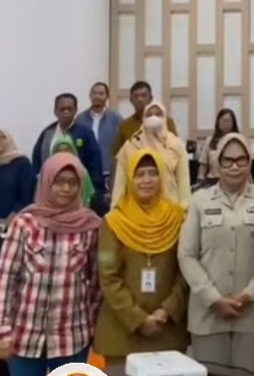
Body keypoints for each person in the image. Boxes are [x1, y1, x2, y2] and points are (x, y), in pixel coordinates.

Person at [179, 133, 254, 376]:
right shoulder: (199, 200)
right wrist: (213, 298)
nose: (234, 166)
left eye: (241, 160)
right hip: (208, 314)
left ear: (250, 162)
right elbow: (186, 255)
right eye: (227, 160)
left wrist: (249, 294)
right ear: (217, 163)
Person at [0, 154, 102, 376]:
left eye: (73, 183)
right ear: (46, 182)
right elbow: (5, 281)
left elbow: (96, 283)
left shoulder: (89, 226)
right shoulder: (24, 224)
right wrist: (3, 331)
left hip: (72, 338)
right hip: (25, 337)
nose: (66, 189)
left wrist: (93, 326)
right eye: (59, 182)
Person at [93, 150, 189, 376]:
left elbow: (185, 271)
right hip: (121, 334)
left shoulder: (177, 218)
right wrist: (138, 319)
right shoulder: (113, 222)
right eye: (139, 174)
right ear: (129, 179)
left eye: (153, 173)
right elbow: (108, 276)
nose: (146, 180)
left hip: (167, 332)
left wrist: (166, 311)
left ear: (162, 178)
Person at [112, 102, 190, 209]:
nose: (153, 117)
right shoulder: (131, 144)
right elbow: (120, 182)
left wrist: (184, 208)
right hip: (135, 209)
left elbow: (183, 181)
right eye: (149, 114)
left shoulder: (176, 145)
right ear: (144, 118)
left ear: (164, 117)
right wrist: (115, 206)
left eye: (158, 114)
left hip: (170, 208)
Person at [32, 93, 105, 195]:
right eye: (62, 109)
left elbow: (95, 163)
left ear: (75, 111)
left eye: (69, 109)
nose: (66, 112)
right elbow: (37, 160)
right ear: (55, 111)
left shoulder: (85, 133)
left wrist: (94, 191)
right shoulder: (47, 133)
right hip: (51, 189)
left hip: (77, 189)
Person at [112, 81, 178, 156]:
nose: (140, 99)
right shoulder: (125, 125)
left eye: (144, 96)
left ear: (151, 98)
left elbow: (175, 148)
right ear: (131, 100)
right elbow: (118, 153)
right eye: (136, 96)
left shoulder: (165, 121)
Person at [75, 82, 123, 185]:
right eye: (94, 93)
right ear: (90, 96)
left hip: (108, 172)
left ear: (107, 96)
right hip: (86, 172)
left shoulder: (116, 118)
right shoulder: (80, 119)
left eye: (101, 93)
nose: (97, 96)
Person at [0, 129, 36, 226]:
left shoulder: (22, 164)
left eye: (1, 138)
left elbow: (27, 197)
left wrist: (11, 219)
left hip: (15, 224)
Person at [197, 108, 240, 185]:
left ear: (233, 123)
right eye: (223, 121)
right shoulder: (210, 141)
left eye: (228, 121)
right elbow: (203, 164)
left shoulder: (238, 140)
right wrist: (200, 178)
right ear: (218, 122)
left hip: (232, 181)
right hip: (212, 181)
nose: (226, 123)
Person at [52, 134, 96, 207]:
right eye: (60, 151)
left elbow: (86, 197)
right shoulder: (47, 173)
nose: (63, 154)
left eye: (66, 150)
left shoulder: (81, 171)